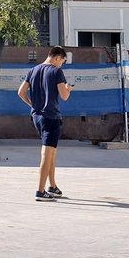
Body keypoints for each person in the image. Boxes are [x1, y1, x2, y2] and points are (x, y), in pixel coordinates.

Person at [17, 45, 74, 201]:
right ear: (57, 57)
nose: (61, 64)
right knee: (46, 154)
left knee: (51, 153)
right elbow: (64, 96)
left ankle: (53, 186)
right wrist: (68, 89)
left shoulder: (33, 70)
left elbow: (20, 92)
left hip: (37, 116)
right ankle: (40, 191)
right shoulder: (56, 72)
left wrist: (32, 105)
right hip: (51, 117)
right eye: (62, 61)